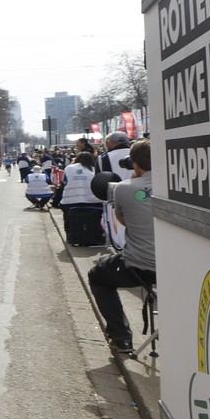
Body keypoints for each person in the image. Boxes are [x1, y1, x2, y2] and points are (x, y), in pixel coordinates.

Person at [87, 140, 154, 352]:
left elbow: (125, 221)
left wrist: (134, 181)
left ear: (135, 164)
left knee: (97, 275)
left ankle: (121, 337)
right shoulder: (178, 185)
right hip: (177, 267)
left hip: (141, 267)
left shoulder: (124, 188)